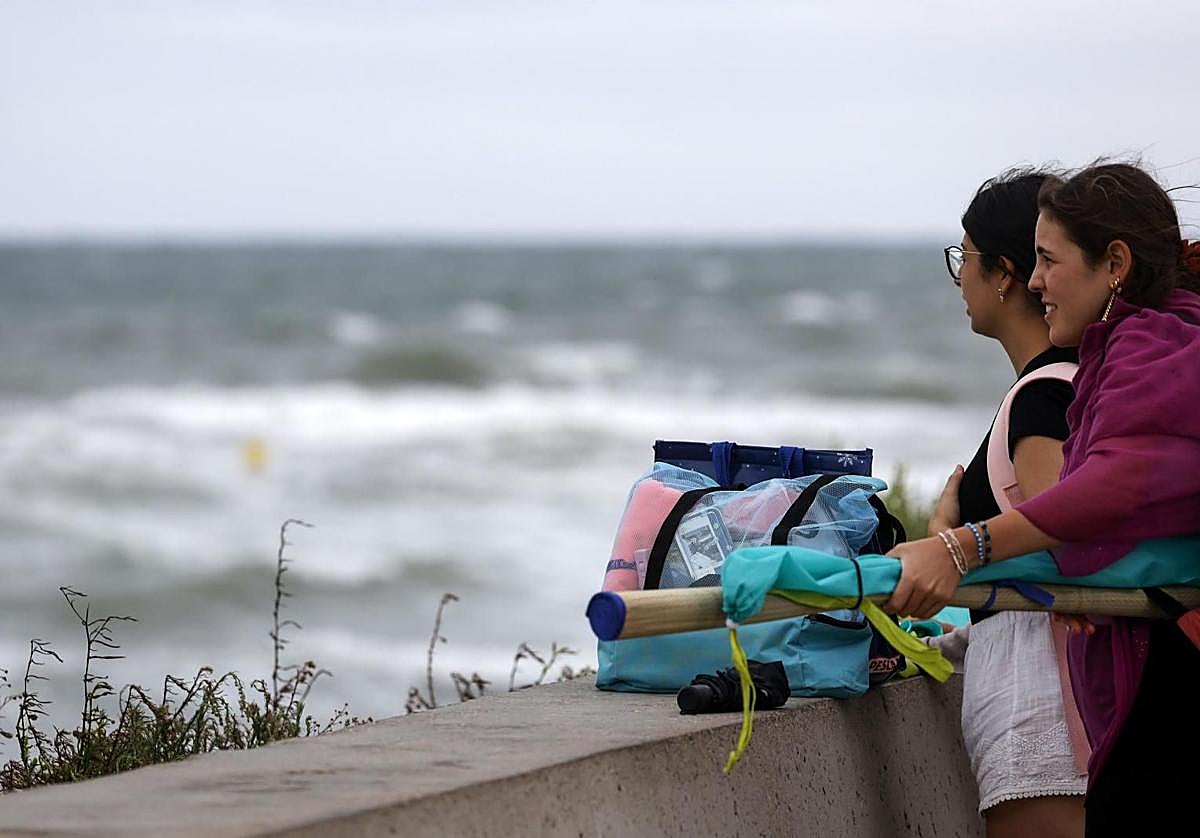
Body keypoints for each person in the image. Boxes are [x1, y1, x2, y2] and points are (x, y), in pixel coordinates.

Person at [886, 162, 1200, 835]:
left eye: (1049, 261)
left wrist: (959, 546)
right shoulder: (1134, 354)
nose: (1036, 280)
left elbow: (1095, 509)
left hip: (1072, 707)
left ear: (1114, 264)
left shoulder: (1131, 362)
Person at [928, 168, 1085, 836]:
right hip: (1054, 699)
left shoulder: (1044, 397)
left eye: (964, 257)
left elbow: (1064, 543)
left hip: (1042, 714)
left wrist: (949, 542)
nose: (958, 277)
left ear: (1005, 275)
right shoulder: (1077, 382)